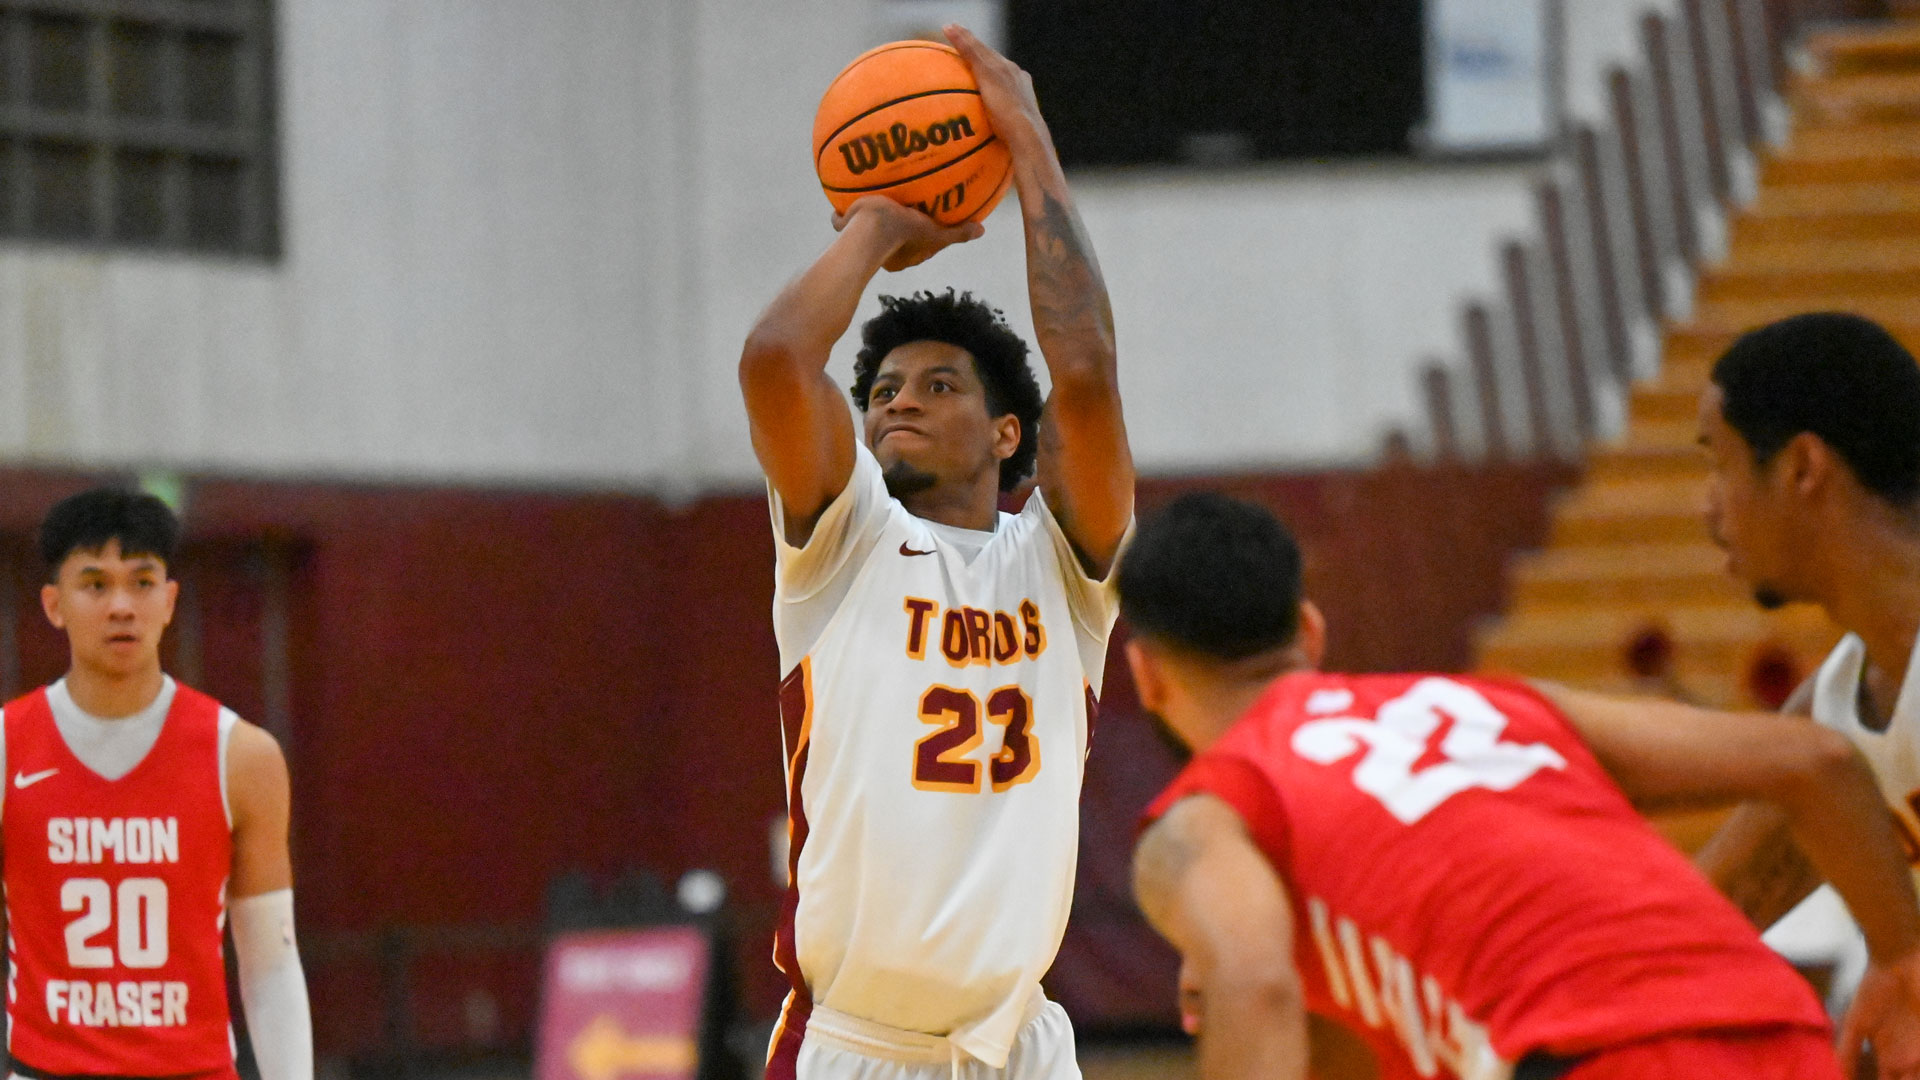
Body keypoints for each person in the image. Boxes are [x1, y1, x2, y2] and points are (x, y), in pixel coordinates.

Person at [1122, 492, 1920, 1080]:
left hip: (1589, 1057)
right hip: (1779, 1035)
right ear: (1310, 630)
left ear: (1147, 676)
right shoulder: (1487, 704)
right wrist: (1901, 960)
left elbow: (1256, 989)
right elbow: (1818, 762)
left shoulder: (1211, 816)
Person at [738, 24, 1132, 1080]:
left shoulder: (1062, 572)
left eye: (941, 385)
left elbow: (1085, 377)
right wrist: (876, 223)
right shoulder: (845, 541)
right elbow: (777, 361)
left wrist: (1027, 138)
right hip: (857, 1047)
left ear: (1008, 435)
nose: (899, 397)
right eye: (882, 389)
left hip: (1019, 1044)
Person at [2, 488, 312, 1080]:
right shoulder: (5, 748)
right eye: (95, 584)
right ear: (53, 603)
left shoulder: (242, 757)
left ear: (170, 600)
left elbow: (271, 964)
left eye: (142, 583)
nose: (121, 605)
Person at [1688, 312, 1920, 1032]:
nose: (1709, 509)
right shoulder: (1842, 709)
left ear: (1801, 469)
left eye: (1718, 464)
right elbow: (1688, 933)